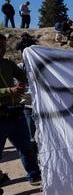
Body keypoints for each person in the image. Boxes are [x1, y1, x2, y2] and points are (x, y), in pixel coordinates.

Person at [0, 34, 41, 186]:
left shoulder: (8, 63)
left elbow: (24, 77)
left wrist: (24, 83)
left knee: (27, 148)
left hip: (16, 114)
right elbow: (10, 89)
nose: (2, 49)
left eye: (4, 46)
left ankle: (34, 175)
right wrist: (10, 91)